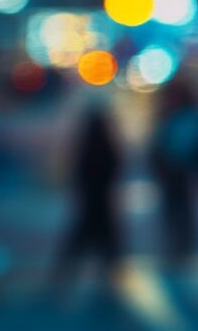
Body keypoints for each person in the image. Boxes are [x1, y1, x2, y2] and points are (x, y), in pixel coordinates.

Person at [53, 105, 124, 282]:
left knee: (78, 246)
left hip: (91, 205)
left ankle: (61, 279)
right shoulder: (107, 147)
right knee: (106, 247)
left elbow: (78, 175)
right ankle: (111, 279)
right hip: (101, 206)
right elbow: (115, 170)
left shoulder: (86, 148)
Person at [149, 81, 198, 266]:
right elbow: (158, 146)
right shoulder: (167, 117)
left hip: (185, 171)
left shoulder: (188, 117)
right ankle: (177, 247)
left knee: (184, 211)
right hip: (170, 172)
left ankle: (185, 247)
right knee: (174, 211)